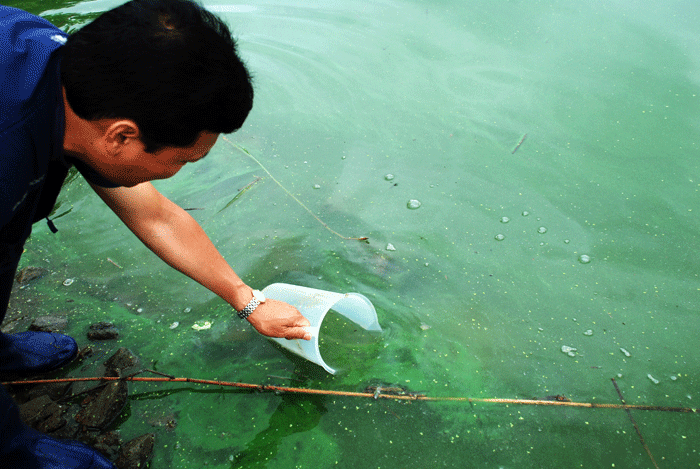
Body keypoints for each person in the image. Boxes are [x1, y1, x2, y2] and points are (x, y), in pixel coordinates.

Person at [1, 0, 311, 466]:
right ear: (121, 136)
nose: (177, 173)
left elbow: (155, 216)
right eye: (182, 161)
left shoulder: (64, 72)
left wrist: (248, 299)